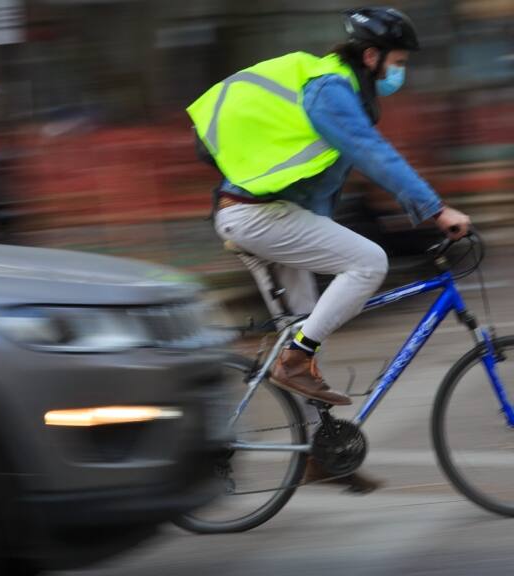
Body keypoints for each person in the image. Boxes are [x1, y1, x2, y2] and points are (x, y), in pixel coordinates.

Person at [188, 7, 471, 491]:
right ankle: (294, 364)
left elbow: (327, 183)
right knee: (367, 264)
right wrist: (436, 210)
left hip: (274, 217)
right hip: (255, 217)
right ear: (372, 56)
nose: (400, 72)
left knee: (302, 331)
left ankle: (320, 456)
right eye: (398, 61)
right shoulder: (330, 90)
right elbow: (373, 153)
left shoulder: (339, 89)